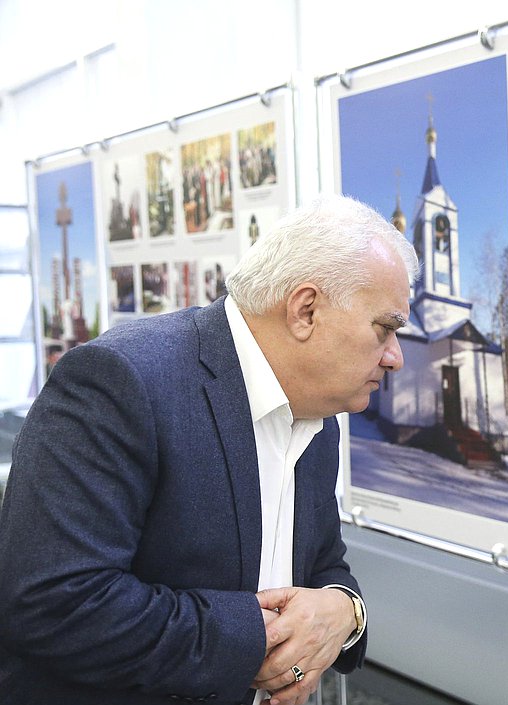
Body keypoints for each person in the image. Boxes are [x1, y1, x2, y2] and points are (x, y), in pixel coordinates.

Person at [0, 194, 419, 704]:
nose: (395, 357)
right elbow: (55, 604)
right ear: (305, 310)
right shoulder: (123, 382)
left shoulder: (318, 414)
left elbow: (323, 563)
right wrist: (259, 639)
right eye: (385, 329)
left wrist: (344, 609)